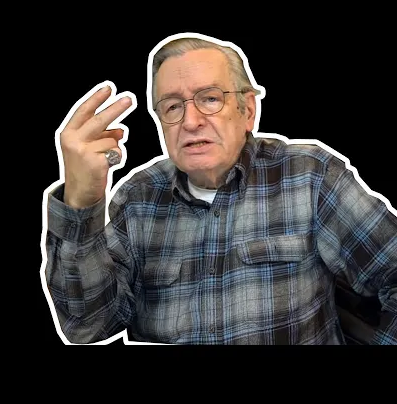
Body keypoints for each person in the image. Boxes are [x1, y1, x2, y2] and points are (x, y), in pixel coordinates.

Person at [41, 34, 397, 345]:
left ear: (247, 111)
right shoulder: (138, 198)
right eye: (172, 106)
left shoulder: (309, 175)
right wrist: (82, 201)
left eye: (210, 99)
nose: (191, 121)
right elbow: (88, 326)